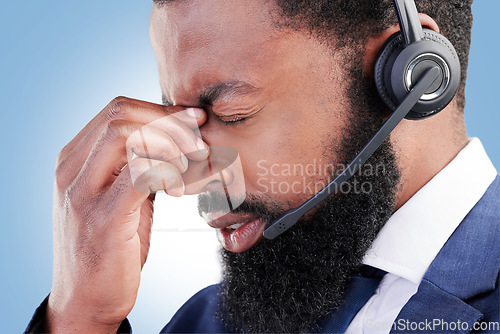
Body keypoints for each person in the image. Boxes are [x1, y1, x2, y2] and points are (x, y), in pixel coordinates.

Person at [26, 0, 499, 333]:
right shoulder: (204, 323)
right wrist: (79, 320)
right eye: (180, 122)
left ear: (412, 76)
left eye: (235, 114)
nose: (191, 181)